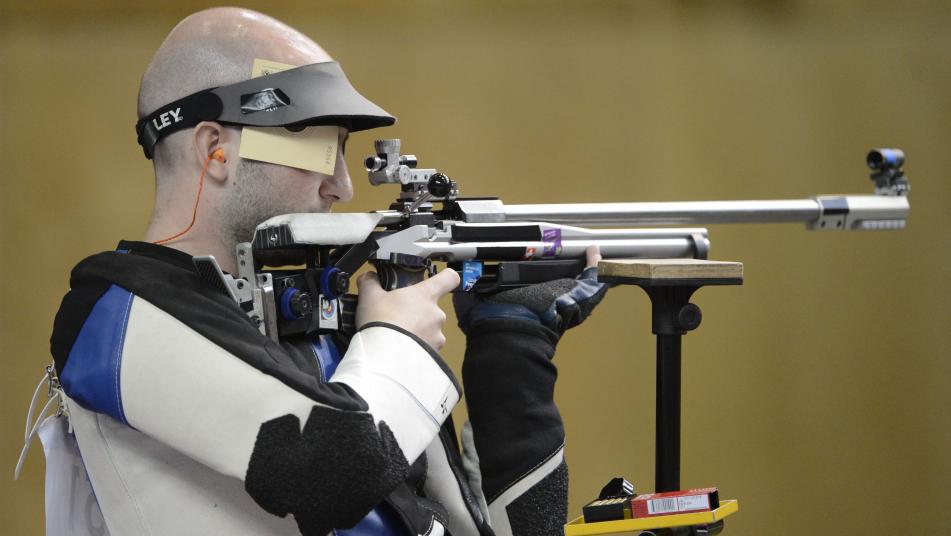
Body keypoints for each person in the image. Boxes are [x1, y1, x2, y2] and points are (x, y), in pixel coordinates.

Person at [48, 8, 607, 536]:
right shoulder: (114, 314)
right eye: (319, 148)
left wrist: (510, 350)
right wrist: (398, 340)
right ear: (215, 149)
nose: (342, 185)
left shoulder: (315, 312)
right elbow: (335, 468)